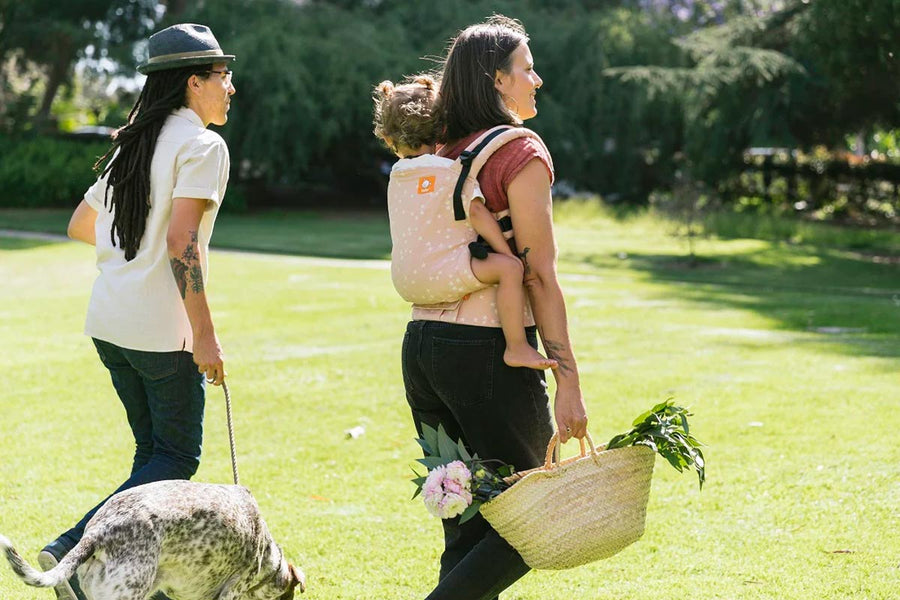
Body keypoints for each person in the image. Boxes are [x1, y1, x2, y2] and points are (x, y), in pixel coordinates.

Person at [39, 23, 235, 600]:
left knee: (152, 457)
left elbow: (80, 224)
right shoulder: (203, 145)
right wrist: (205, 335)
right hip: (159, 331)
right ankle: (76, 552)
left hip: (109, 322)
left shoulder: (134, 142)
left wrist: (129, 250)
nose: (231, 87)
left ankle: (128, 576)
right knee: (174, 461)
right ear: (194, 83)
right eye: (222, 77)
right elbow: (182, 242)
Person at [397, 15, 590, 600]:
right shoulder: (519, 151)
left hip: (422, 346)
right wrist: (569, 383)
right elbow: (539, 272)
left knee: (464, 513)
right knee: (539, 505)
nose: (538, 79)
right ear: (497, 80)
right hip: (486, 349)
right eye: (527, 69)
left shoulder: (441, 150)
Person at [373, 74, 557, 371]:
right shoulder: (450, 172)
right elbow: (477, 214)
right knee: (509, 270)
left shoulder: (397, 176)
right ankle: (517, 347)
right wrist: (507, 254)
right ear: (441, 129)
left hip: (406, 281)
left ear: (388, 138)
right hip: (442, 274)